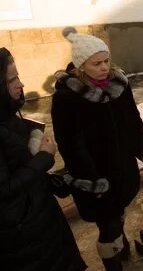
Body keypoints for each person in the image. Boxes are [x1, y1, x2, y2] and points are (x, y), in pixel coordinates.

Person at [51, 28, 143, 271]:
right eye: (96, 63)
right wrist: (92, 179)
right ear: (80, 66)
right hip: (94, 175)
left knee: (119, 213)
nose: (103, 67)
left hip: (122, 168)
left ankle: (122, 248)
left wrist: (141, 146)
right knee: (107, 227)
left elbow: (133, 120)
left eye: (106, 61)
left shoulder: (119, 84)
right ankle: (114, 263)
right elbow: (69, 144)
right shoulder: (67, 99)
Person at [0, 47, 86, 271]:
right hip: (22, 235)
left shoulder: (8, 115)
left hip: (40, 220)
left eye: (18, 77)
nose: (21, 85)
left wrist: (47, 180)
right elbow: (4, 188)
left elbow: (17, 165)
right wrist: (44, 158)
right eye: (11, 80)